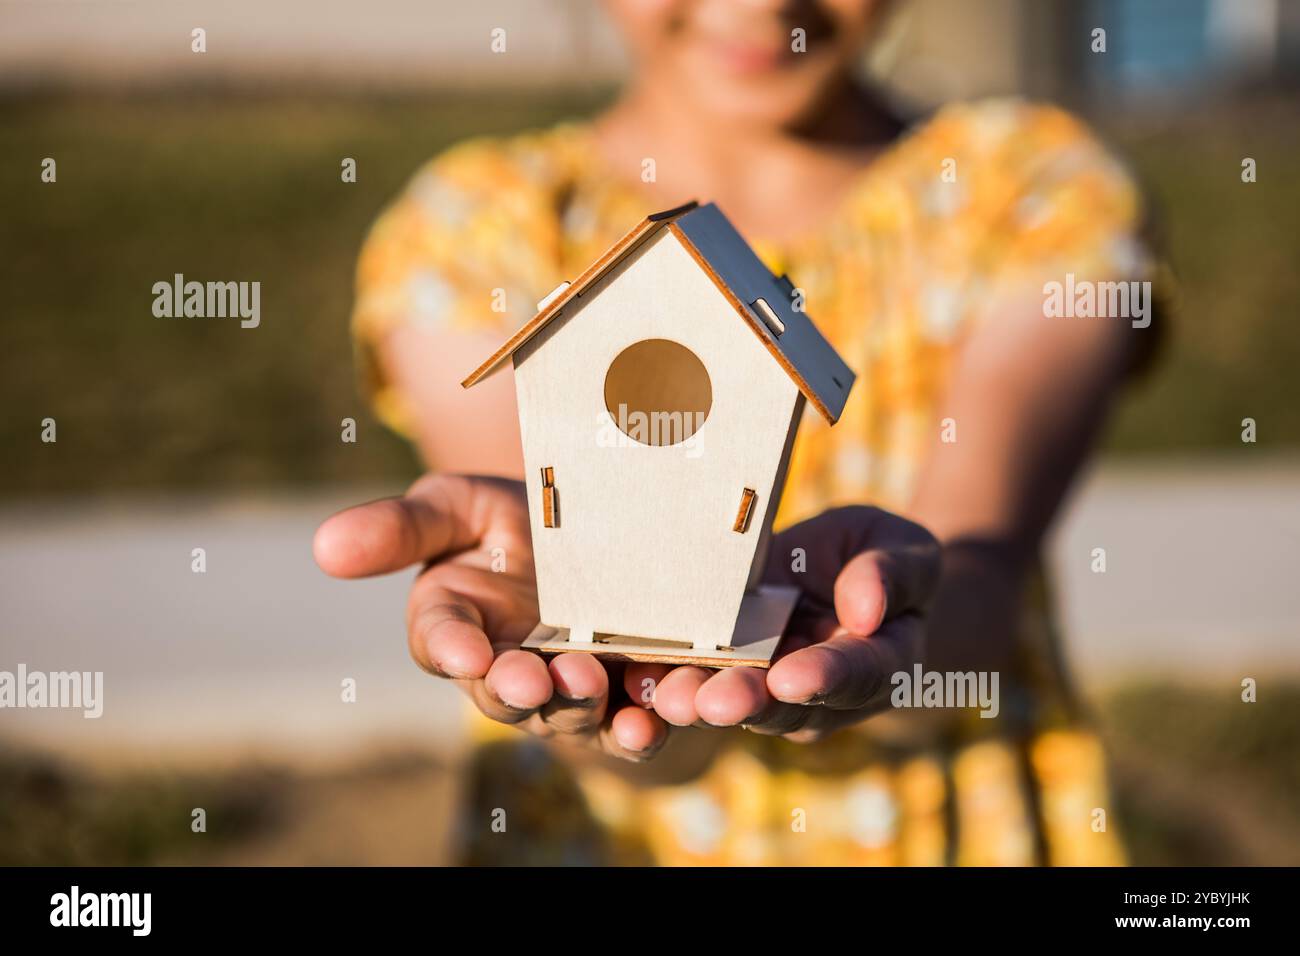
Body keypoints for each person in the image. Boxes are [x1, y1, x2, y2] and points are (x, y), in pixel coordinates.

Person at [313, 0, 1168, 865]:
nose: (763, 6)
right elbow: (600, 687)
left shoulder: (1028, 192)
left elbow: (972, 593)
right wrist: (614, 681)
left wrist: (892, 631)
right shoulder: (478, 230)